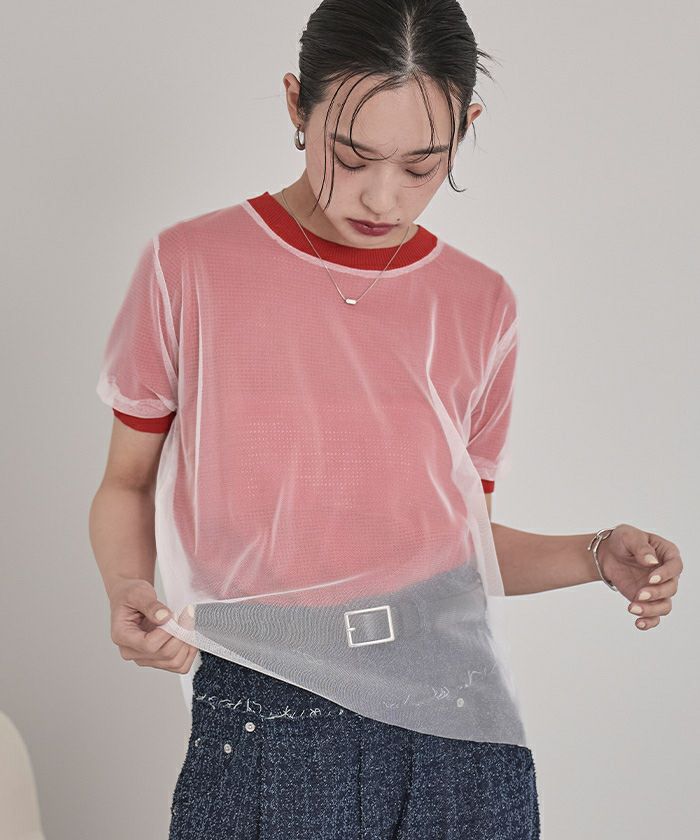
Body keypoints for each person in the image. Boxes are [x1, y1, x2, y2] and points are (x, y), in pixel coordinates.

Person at [89, 2, 683, 838]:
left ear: (467, 129)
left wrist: (595, 554)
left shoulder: (481, 304)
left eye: (421, 166)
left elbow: (456, 552)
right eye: (351, 155)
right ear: (296, 105)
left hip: (459, 729)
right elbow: (126, 482)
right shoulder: (188, 267)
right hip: (265, 718)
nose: (381, 196)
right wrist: (129, 589)